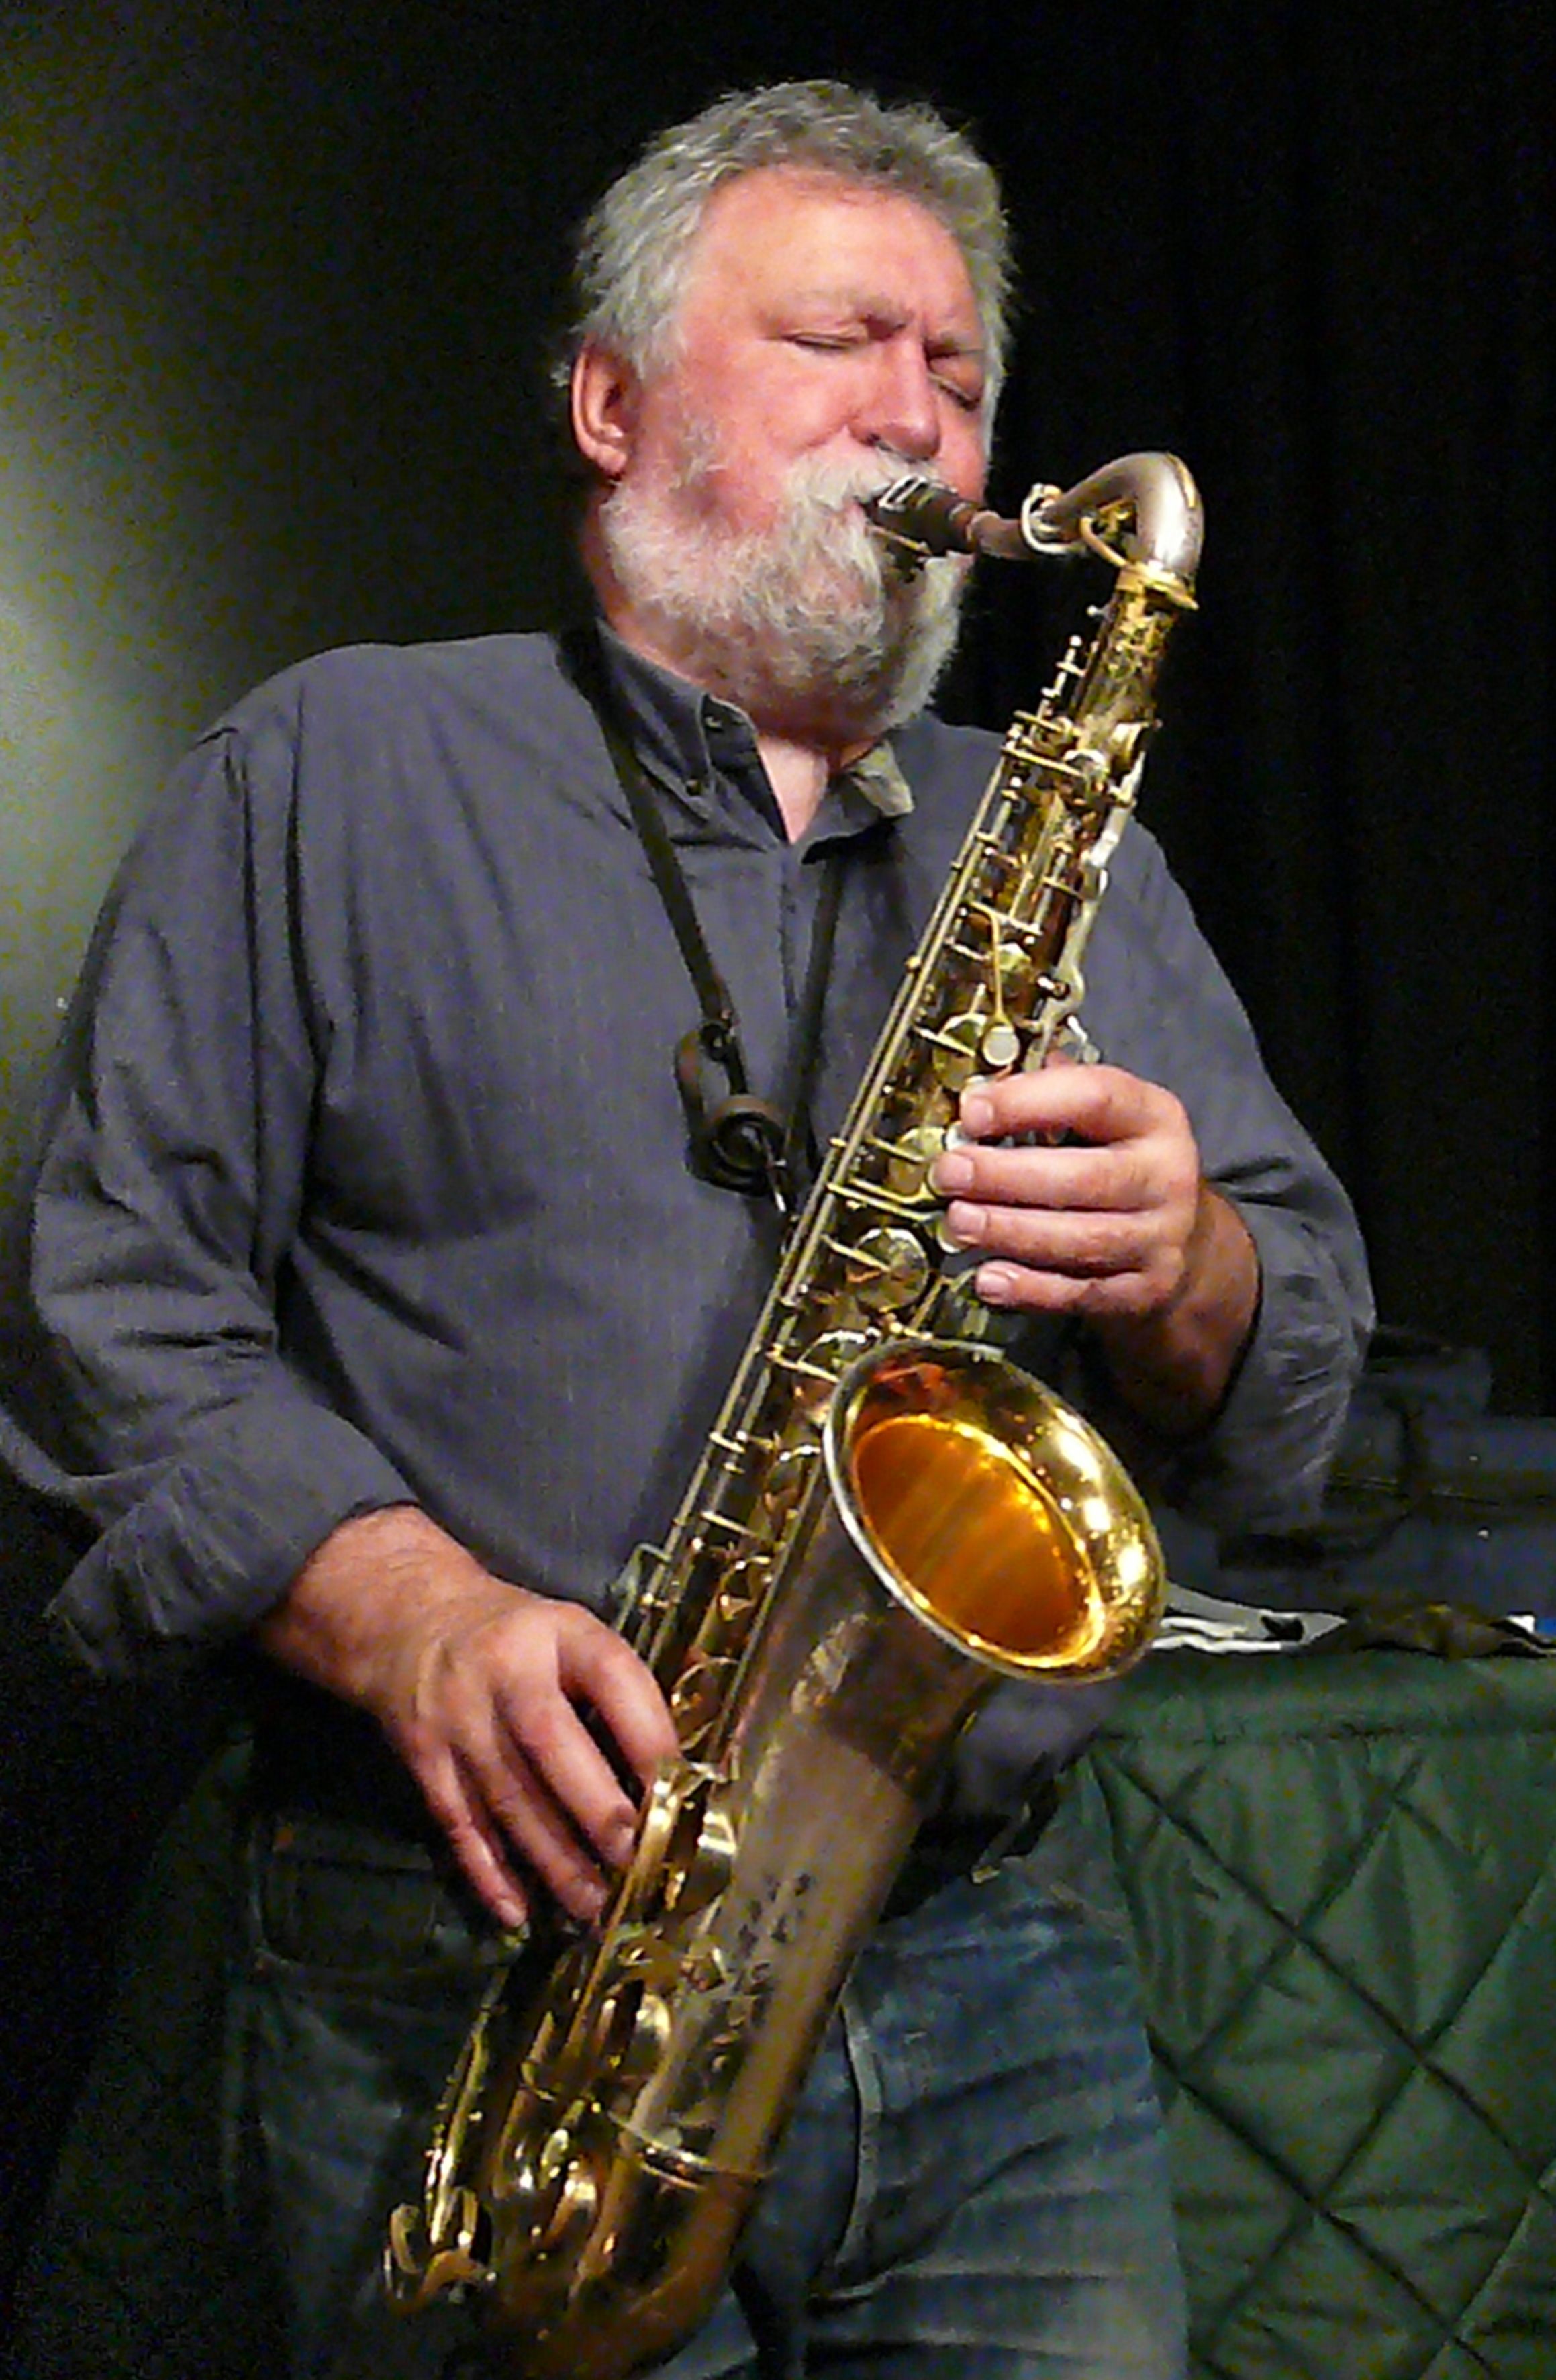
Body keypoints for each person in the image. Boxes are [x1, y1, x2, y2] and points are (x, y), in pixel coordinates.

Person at [0, 78, 1371, 2380]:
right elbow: (100, 1307)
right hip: (477, 1950)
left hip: (1000, 1974)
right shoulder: (337, 768)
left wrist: (1198, 1265)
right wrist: (404, 1604)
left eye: (957, 372)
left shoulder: (1080, 859)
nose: (918, 414)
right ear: (613, 403)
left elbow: (1302, 1359)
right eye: (844, 342)